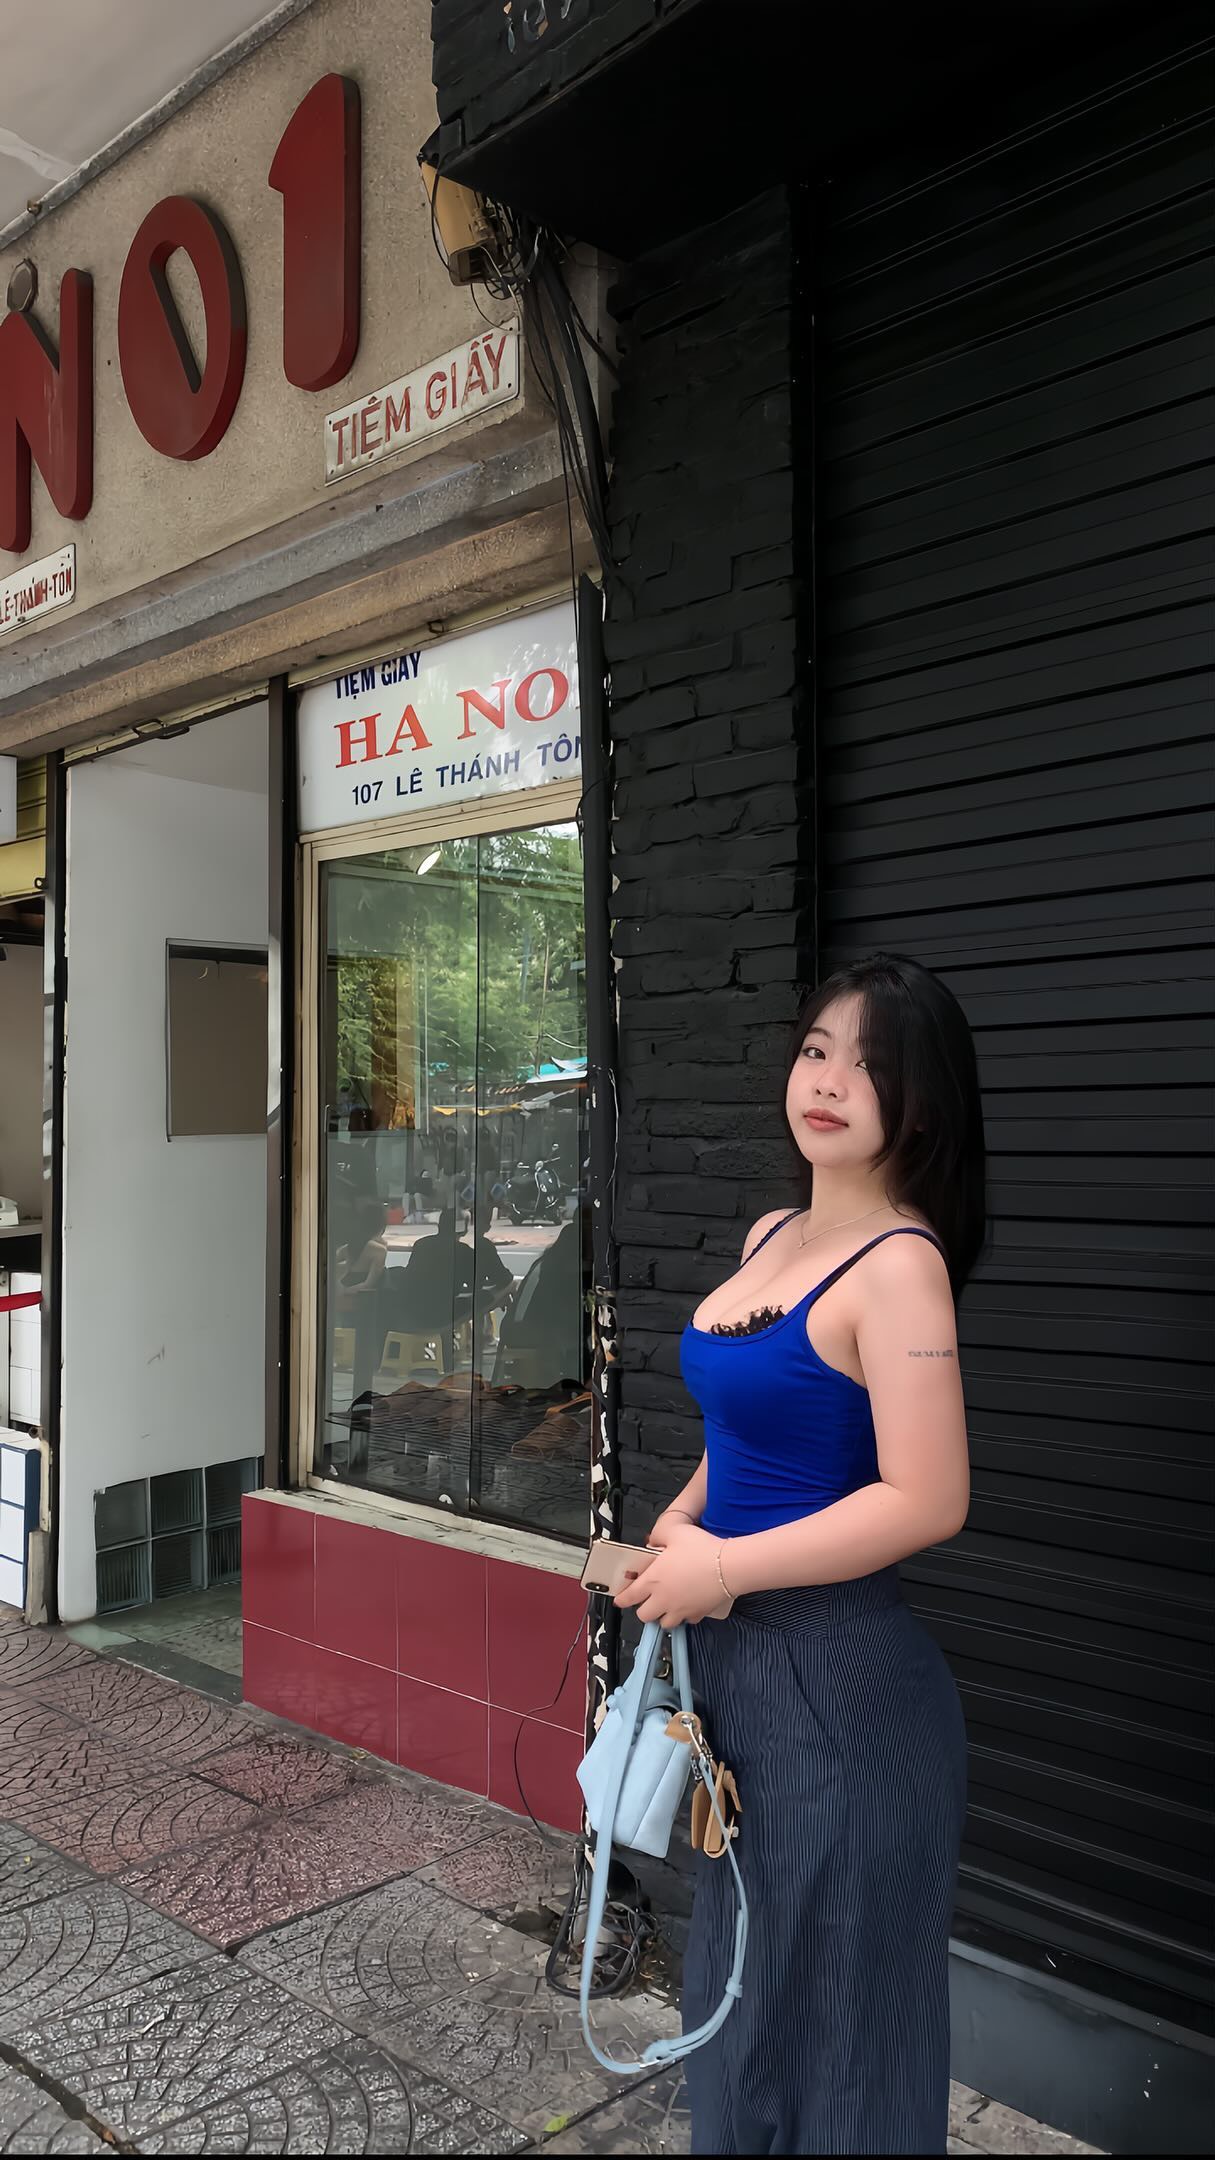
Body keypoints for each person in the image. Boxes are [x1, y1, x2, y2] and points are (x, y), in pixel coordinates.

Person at [615, 953, 985, 2156]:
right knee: (744, 2005)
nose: (828, 1082)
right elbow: (744, 1431)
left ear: (919, 1105)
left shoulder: (902, 1264)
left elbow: (928, 1498)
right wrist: (682, 1521)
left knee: (840, 2032)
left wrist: (722, 1569)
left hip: (843, 1691)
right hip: (738, 1679)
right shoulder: (772, 1232)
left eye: (868, 1066)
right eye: (817, 1051)